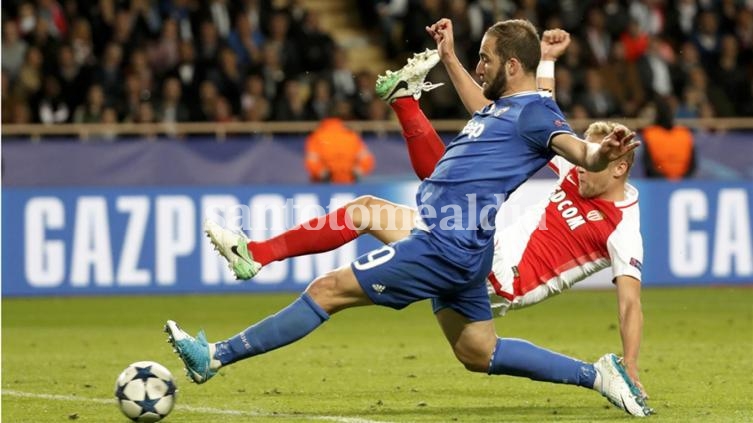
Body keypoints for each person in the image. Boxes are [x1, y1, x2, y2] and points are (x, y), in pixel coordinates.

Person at [165, 18, 650, 417]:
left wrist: (598, 153)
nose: (481, 66)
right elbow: (493, 102)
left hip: (447, 245)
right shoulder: (503, 110)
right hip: (466, 246)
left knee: (327, 290)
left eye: (487, 58)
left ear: (513, 65)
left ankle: (215, 355)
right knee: (478, 351)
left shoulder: (537, 117)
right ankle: (597, 374)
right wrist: (452, 56)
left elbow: (576, 150)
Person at [305, 116, 375, 184]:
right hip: (349, 182)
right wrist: (357, 172)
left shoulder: (316, 137)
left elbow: (312, 161)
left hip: (325, 183)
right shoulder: (351, 136)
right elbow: (366, 159)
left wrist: (323, 173)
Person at [642, 97, 696, 180]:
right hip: (676, 182)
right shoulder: (684, 133)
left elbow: (648, 165)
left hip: (662, 182)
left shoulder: (650, 133)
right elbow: (692, 165)